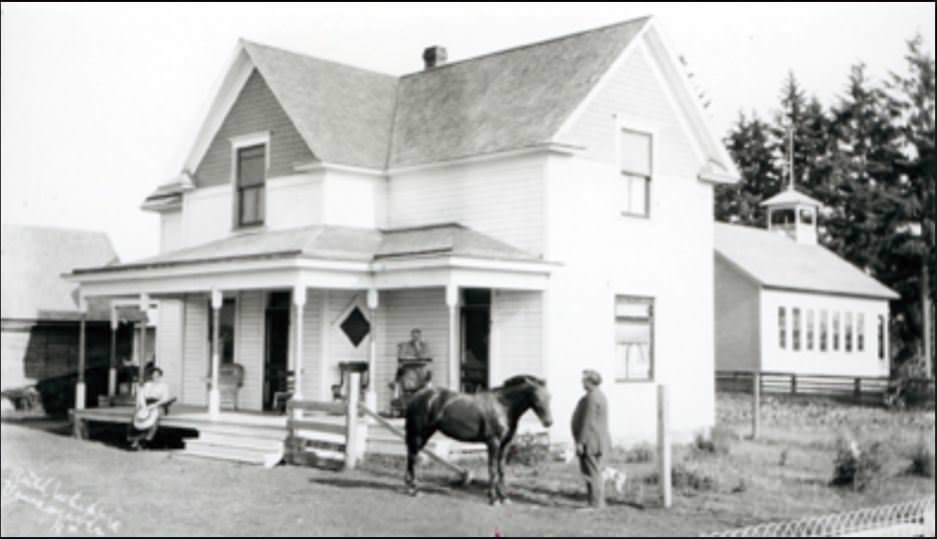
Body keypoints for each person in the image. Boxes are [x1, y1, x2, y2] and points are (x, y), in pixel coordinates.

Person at [571, 369, 613, 509]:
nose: (582, 382)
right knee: (592, 471)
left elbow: (587, 421)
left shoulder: (592, 397)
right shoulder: (598, 395)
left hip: (591, 440)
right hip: (596, 439)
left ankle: (596, 504)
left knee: (592, 472)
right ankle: (594, 501)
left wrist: (581, 442)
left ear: (590, 382)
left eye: (584, 380)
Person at [127, 367, 173, 450]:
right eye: (153, 375)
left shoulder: (164, 386)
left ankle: (146, 440)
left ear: (160, 376)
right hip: (146, 404)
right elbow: (141, 396)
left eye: (157, 375)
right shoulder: (147, 384)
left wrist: (154, 405)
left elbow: (164, 399)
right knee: (138, 416)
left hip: (158, 404)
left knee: (153, 418)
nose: (155, 377)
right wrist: (144, 406)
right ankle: (135, 440)